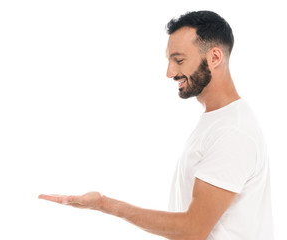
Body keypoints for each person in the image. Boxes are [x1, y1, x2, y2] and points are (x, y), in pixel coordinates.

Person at [39, 11, 273, 239]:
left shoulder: (233, 131)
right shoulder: (218, 121)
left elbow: (193, 230)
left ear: (214, 57)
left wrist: (105, 204)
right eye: (170, 60)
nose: (170, 72)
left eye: (179, 60)